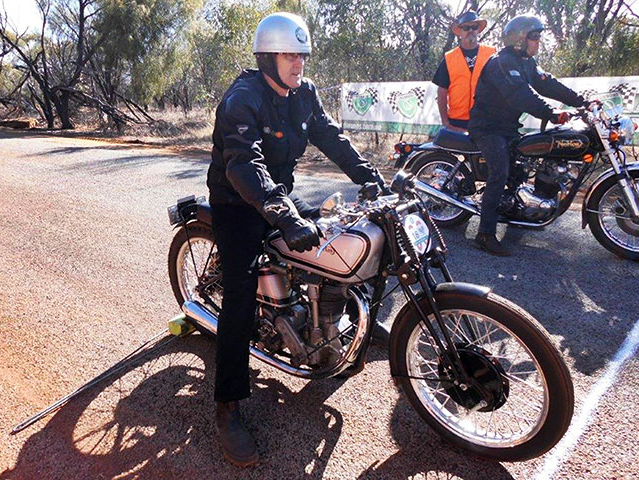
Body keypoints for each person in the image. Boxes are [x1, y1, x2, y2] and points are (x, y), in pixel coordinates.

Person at [206, 12, 389, 466]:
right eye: (290, 55)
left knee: (354, 238)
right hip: (236, 203)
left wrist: (371, 178)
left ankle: (352, 323)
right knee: (240, 297)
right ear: (267, 56)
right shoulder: (242, 98)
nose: (298, 64)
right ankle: (227, 407)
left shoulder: (303, 93)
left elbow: (332, 138)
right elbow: (243, 165)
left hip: (277, 197)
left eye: (302, 55)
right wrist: (284, 216)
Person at [468, 14, 586, 256]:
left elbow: (548, 84)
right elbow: (520, 94)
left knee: (521, 169)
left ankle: (520, 212)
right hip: (488, 128)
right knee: (499, 174)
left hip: (508, 128)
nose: (539, 42)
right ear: (520, 40)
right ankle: (485, 234)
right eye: (534, 37)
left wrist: (580, 102)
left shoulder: (526, 63)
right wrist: (551, 112)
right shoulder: (502, 62)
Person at [432, 10, 496, 133]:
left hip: (485, 121)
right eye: (466, 27)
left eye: (474, 27)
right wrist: (445, 122)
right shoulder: (449, 58)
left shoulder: (492, 54)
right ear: (460, 32)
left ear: (478, 30)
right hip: (457, 122)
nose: (470, 31)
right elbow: (441, 92)